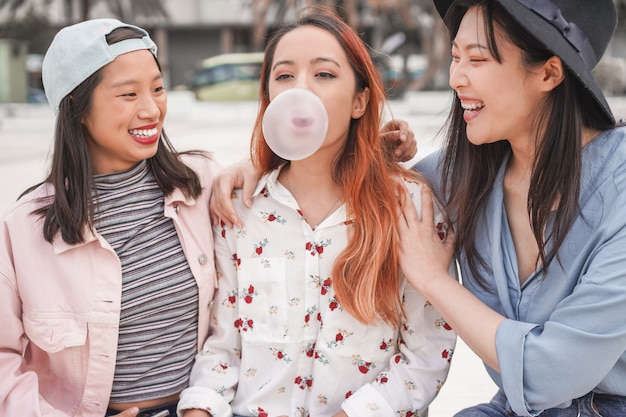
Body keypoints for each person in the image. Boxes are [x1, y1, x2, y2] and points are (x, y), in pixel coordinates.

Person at [177, 7, 456, 417]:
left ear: (360, 100)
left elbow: (427, 354)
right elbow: (222, 348)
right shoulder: (239, 207)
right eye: (284, 76)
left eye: (324, 74)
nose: (299, 91)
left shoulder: (411, 207)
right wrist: (199, 409)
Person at [397, 0, 626, 416]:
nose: (455, 77)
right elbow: (340, 197)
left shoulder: (621, 186)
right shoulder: (458, 176)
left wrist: (434, 278)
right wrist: (263, 163)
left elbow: (550, 373)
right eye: (455, 57)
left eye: (478, 59)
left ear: (549, 72)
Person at [0, 19, 221, 417]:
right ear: (77, 108)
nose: (152, 109)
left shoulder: (201, 185)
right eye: (128, 94)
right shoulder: (23, 228)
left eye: (157, 88)